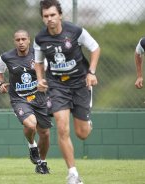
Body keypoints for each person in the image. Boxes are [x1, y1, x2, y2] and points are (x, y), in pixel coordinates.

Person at [33, 0, 100, 183]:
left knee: (82, 133)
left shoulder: (75, 31)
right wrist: (40, 79)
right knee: (62, 127)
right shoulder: (40, 38)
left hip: (80, 84)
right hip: (57, 86)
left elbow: (95, 48)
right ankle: (73, 174)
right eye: (46, 16)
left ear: (60, 15)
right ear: (42, 18)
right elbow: (38, 62)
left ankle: (87, 122)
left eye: (53, 15)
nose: (50, 19)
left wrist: (91, 72)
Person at [0, 30, 52, 174]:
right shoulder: (6, 57)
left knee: (44, 133)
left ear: (29, 40)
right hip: (19, 99)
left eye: (23, 39)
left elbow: (49, 71)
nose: (21, 42)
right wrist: (1, 83)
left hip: (39, 98)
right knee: (31, 124)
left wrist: (45, 82)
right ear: (14, 41)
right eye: (18, 39)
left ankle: (42, 163)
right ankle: (32, 146)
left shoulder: (38, 55)